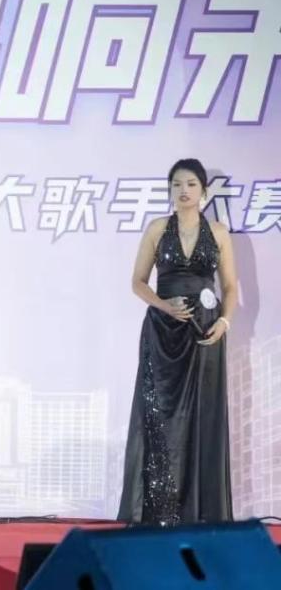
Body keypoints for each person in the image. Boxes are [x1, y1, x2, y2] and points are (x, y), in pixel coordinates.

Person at [118, 159, 236, 525]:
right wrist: (163, 305)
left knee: (203, 415)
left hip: (205, 331)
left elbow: (230, 286)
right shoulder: (157, 228)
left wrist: (224, 321)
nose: (183, 191)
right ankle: (156, 510)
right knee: (157, 414)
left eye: (191, 184)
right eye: (176, 184)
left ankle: (201, 510)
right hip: (162, 331)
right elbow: (137, 282)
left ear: (203, 191)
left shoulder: (218, 232)